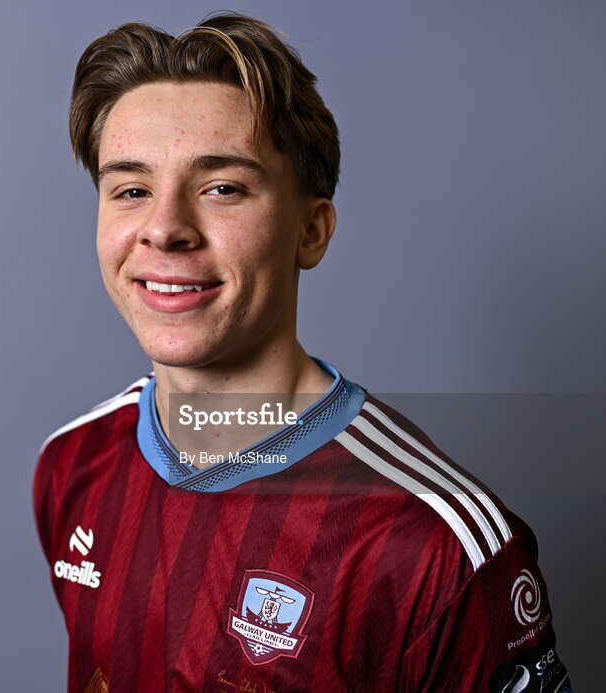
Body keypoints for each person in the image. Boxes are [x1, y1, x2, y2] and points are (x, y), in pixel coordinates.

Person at [33, 12, 572, 692]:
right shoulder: (74, 464)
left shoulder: (438, 545)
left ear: (311, 231)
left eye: (221, 188)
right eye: (132, 190)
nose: (165, 229)